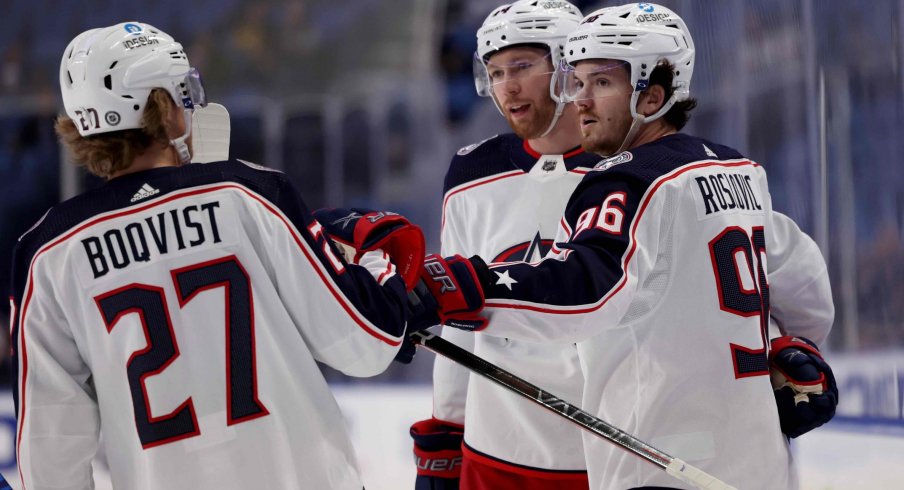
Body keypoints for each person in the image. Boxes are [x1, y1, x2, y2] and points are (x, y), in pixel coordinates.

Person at [411, 4, 837, 489]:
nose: (582, 99)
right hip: (741, 458)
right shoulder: (735, 168)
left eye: (601, 82)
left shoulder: (623, 180)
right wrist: (790, 347)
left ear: (652, 95)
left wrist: (457, 289)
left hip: (643, 455)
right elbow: (802, 286)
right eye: (495, 71)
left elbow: (586, 290)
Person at [10, 22, 424, 490]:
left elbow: (48, 455)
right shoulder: (248, 192)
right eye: (182, 91)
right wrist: (373, 263)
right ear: (163, 108)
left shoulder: (47, 252)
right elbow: (367, 342)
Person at [409, 2, 597, 489]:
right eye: (493, 72)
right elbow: (458, 320)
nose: (506, 87)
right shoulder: (472, 173)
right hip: (496, 456)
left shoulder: (632, 168)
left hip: (606, 452)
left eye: (521, 67)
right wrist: (446, 435)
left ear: (569, 66)